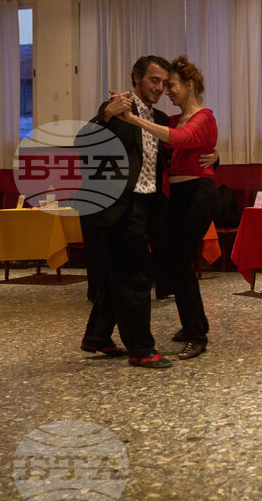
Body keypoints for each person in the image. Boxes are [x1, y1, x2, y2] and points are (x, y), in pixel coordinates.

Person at [117, 56, 217, 360]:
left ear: (189, 85)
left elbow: (181, 139)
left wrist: (133, 119)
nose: (167, 91)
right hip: (176, 195)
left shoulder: (204, 116)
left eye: (171, 85)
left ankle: (197, 335)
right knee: (174, 264)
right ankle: (195, 325)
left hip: (197, 193)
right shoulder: (173, 118)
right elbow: (167, 138)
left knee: (180, 264)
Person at [83, 55, 175, 369]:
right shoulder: (115, 110)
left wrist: (213, 157)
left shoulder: (161, 117)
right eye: (154, 80)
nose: (160, 87)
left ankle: (97, 337)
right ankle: (141, 349)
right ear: (136, 78)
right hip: (122, 204)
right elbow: (84, 145)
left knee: (117, 273)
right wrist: (104, 118)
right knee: (135, 277)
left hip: (150, 204)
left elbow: (176, 150)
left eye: (164, 82)